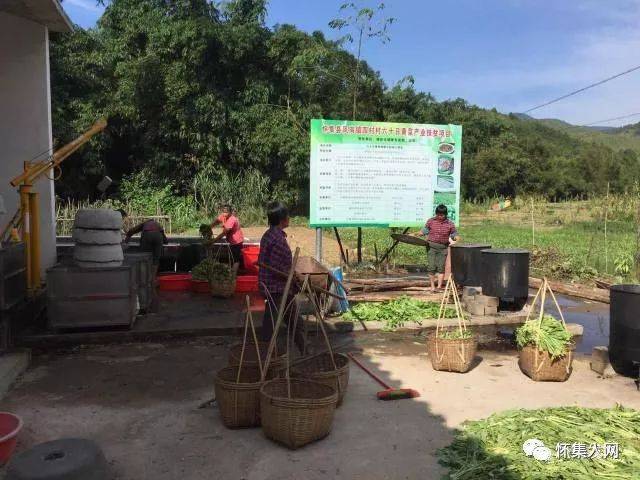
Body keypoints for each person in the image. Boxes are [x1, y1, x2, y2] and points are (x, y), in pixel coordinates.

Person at [258, 202, 305, 353]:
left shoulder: (269, 234)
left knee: (291, 322)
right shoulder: (278, 240)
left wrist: (293, 276)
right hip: (277, 288)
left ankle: (303, 350)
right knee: (280, 324)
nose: (289, 218)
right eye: (287, 216)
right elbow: (277, 269)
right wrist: (293, 278)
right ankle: (266, 356)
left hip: (273, 286)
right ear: (282, 219)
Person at [119, 210, 168, 312]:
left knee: (144, 257)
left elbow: (132, 231)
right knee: (156, 258)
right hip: (158, 236)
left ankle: (145, 277)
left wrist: (127, 239)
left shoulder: (145, 224)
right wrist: (165, 242)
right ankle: (153, 278)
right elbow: (164, 238)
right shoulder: (158, 225)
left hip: (148, 236)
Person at [419, 204, 460, 292]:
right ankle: (432, 286)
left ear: (445, 214)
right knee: (431, 267)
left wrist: (456, 238)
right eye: (438, 215)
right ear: (436, 214)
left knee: (441, 267)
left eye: (442, 215)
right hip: (431, 247)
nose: (440, 216)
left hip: (443, 248)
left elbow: (454, 234)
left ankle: (439, 287)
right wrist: (416, 234)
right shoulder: (431, 221)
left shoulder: (450, 224)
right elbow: (425, 230)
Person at [211, 205, 244, 269]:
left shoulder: (232, 220)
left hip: (237, 242)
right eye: (223, 212)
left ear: (230, 212)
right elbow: (216, 222)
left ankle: (233, 276)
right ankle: (230, 271)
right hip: (230, 241)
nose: (224, 214)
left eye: (226, 212)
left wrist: (213, 241)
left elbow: (224, 233)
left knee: (236, 260)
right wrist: (209, 227)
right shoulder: (223, 216)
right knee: (231, 258)